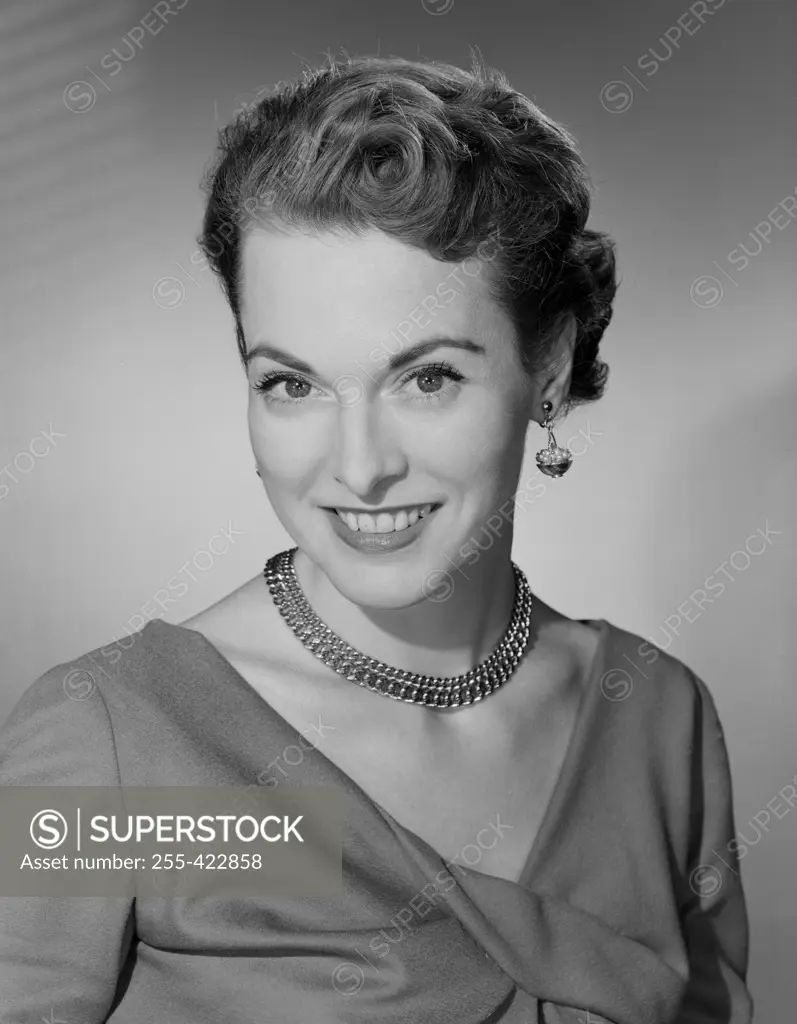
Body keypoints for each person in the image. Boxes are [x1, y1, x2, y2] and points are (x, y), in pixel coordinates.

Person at [0, 54, 752, 1023]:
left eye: (425, 378)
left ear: (550, 364)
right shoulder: (110, 742)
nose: (357, 468)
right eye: (291, 383)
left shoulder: (658, 719)